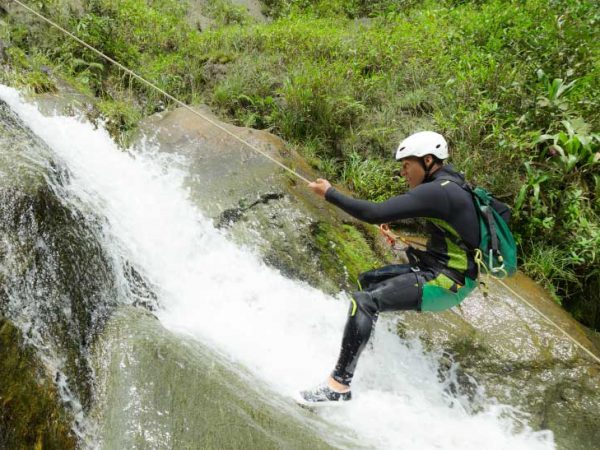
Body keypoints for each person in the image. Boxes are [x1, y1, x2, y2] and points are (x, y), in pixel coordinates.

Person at [302, 131, 480, 403]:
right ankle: (362, 355)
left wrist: (329, 193)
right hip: (440, 270)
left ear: (428, 160)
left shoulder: (438, 191)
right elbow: (456, 242)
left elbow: (374, 213)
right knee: (366, 281)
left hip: (447, 281)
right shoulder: (451, 183)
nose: (402, 172)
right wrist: (410, 249)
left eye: (407, 165)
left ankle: (339, 386)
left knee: (364, 302)